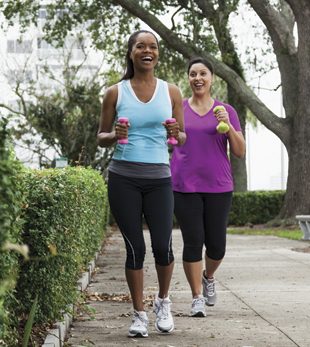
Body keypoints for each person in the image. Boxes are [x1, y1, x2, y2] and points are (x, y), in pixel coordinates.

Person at [97, 30, 186, 337]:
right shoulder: (115, 92)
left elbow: (181, 136)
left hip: (159, 178)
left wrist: (176, 130)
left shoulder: (171, 91)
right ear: (131, 52)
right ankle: (138, 315)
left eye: (153, 46)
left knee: (163, 246)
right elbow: (101, 136)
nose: (148, 50)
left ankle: (162, 301)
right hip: (124, 179)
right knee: (135, 249)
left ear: (157, 53)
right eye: (141, 46)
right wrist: (114, 136)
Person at [170, 57, 246, 317]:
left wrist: (229, 127)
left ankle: (209, 276)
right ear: (188, 79)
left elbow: (239, 152)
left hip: (218, 185)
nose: (198, 78)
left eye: (203, 73)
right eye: (193, 74)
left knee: (217, 245)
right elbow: (169, 141)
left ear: (213, 78)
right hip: (183, 184)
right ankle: (196, 298)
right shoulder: (177, 108)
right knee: (193, 241)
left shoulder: (226, 111)